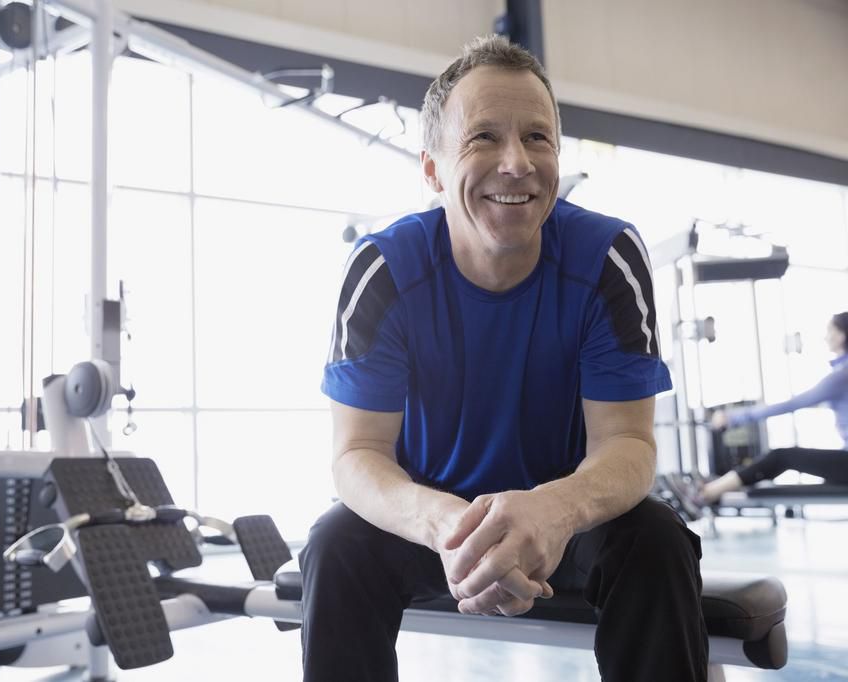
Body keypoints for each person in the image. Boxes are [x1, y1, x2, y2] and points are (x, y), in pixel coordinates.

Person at [299, 35, 708, 682]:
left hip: (570, 520)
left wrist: (553, 511)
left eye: (537, 138)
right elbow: (357, 455)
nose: (517, 163)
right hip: (433, 523)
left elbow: (628, 444)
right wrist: (448, 526)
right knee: (335, 544)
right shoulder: (383, 269)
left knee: (655, 539)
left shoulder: (608, 258)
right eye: (483, 138)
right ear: (433, 170)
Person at [676, 312, 848, 510]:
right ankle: (709, 490)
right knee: (785, 459)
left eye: (830, 331)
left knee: (782, 457)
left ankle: (703, 494)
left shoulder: (841, 376)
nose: (826, 337)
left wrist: (732, 417)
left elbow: (790, 405)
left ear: (842, 335)